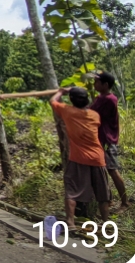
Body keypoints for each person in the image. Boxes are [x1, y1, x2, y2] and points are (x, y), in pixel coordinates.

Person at [50, 86, 111, 228]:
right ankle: (106, 223)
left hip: (78, 158)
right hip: (97, 158)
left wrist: (60, 91)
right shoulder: (95, 116)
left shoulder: (68, 111)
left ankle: (70, 222)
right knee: (103, 194)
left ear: (71, 100)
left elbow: (53, 101)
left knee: (71, 191)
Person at [90, 70, 130, 212]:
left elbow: (92, 112)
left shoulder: (108, 99)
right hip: (101, 139)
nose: (94, 84)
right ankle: (110, 199)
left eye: (97, 82)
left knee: (112, 170)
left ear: (105, 85)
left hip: (107, 140)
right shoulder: (101, 97)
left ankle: (125, 203)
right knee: (103, 170)